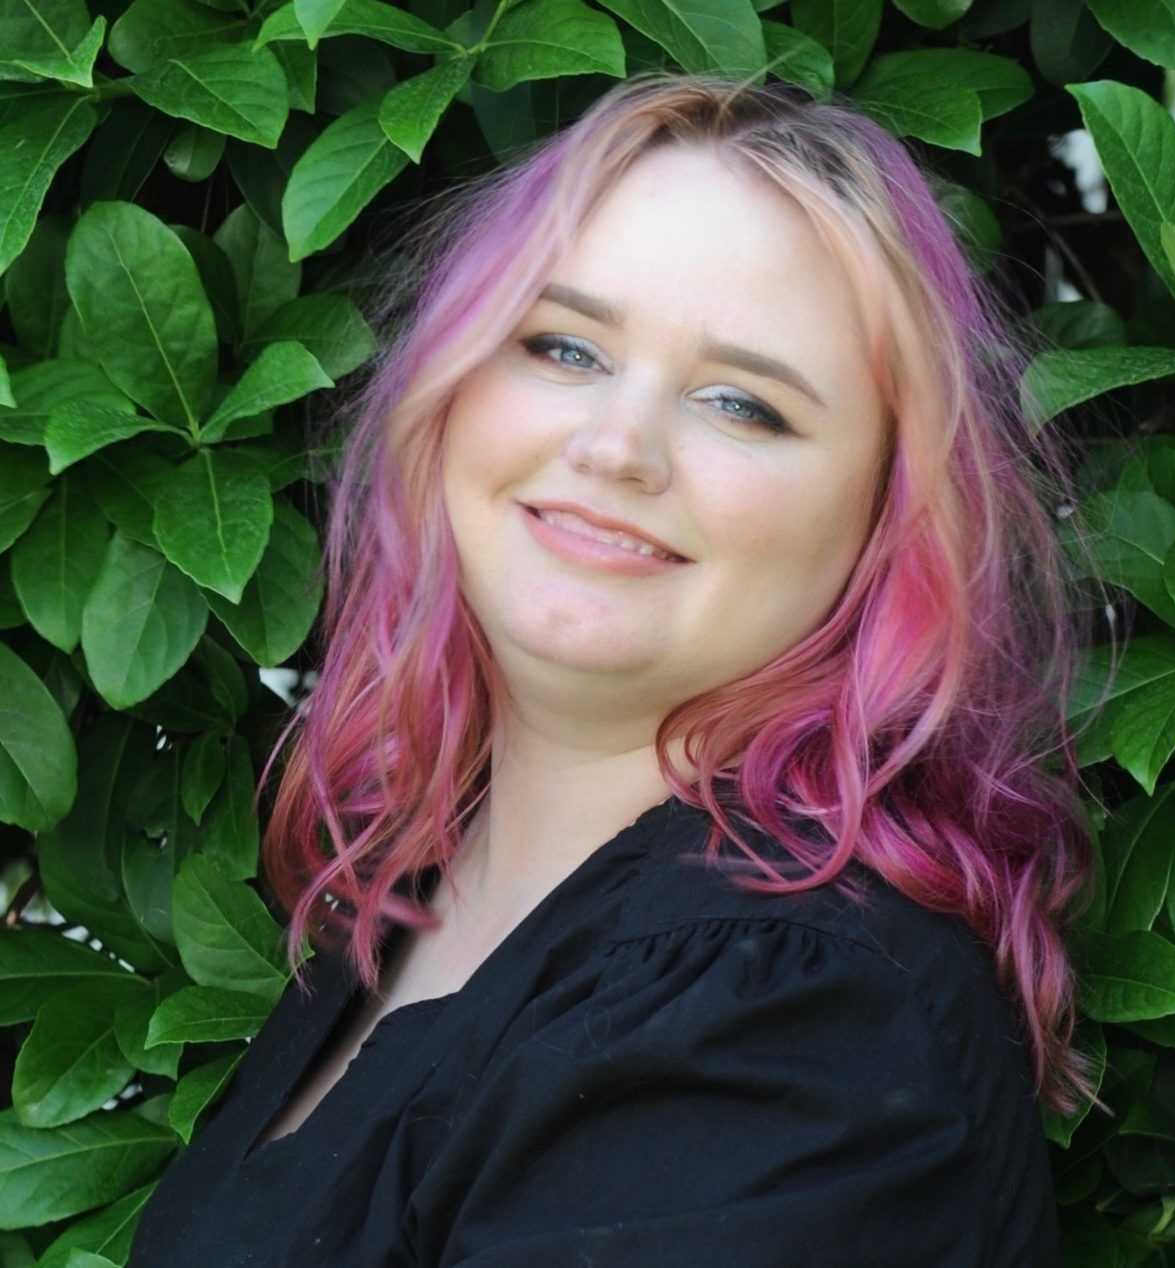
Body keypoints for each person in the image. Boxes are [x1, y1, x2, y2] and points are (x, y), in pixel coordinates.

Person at [127, 70, 1108, 1266]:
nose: (616, 446)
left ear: (887, 522)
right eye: (564, 346)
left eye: (743, 403)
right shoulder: (426, 882)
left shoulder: (784, 1017)